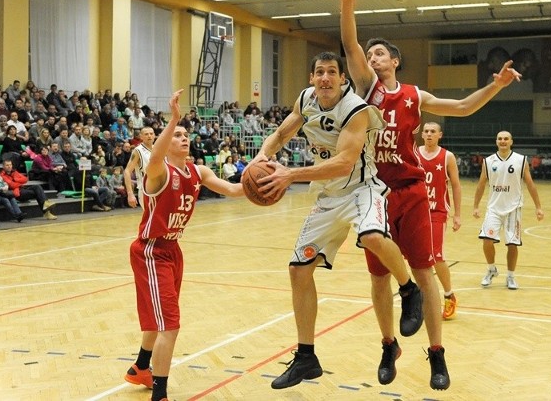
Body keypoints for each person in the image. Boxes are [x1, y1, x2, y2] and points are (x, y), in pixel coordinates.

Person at [333, 0, 522, 390]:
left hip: (411, 190)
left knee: (425, 273)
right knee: (379, 277)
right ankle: (388, 345)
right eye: (371, 53)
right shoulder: (365, 87)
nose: (373, 58)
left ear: (395, 61)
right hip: (373, 195)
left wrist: (495, 86)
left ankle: (437, 355)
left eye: (381, 53)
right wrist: (347, 2)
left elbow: (462, 107)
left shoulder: (414, 96)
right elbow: (349, 46)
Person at [249, 52, 420, 390]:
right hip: (330, 196)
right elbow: (282, 135)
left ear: (343, 79)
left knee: (371, 237)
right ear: (312, 78)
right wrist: (262, 156)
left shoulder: (355, 109)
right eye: (319, 72)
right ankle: (306, 356)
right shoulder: (305, 99)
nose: (324, 78)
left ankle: (409, 289)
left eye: (331, 72)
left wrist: (290, 174)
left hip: (362, 188)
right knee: (299, 269)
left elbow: (344, 162)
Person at [123, 90, 244, 401]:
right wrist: (174, 118)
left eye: (186, 134)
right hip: (151, 251)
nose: (183, 138)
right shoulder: (157, 171)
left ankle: (140, 368)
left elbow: (232, 189)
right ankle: (159, 394)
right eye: (177, 134)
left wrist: (269, 184)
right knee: (170, 325)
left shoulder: (198, 171)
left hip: (173, 250)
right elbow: (158, 154)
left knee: (159, 317)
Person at [473, 131, 544, 290]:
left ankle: (510, 276)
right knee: (487, 240)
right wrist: (476, 206)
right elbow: (481, 184)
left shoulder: (521, 160)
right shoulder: (488, 161)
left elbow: (530, 184)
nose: (503, 141)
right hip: (493, 208)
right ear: (496, 141)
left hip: (513, 208)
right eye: (500, 139)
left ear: (511, 141)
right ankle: (491, 269)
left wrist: (538, 207)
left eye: (506, 139)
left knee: (512, 244)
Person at [416, 123, 462, 320]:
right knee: (417, 258)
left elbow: (456, 186)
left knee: (436, 256)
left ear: (439, 135)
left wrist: (457, 214)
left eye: (432, 132)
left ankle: (449, 294)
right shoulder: (414, 153)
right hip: (416, 210)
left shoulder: (447, 157)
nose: (428, 134)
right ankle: (420, 300)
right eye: (426, 131)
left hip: (437, 211)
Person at [124, 126, 155, 208]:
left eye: (151, 134)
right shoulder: (138, 151)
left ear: (154, 135)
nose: (149, 136)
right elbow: (127, 172)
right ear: (141, 137)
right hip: (146, 190)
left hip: (160, 188)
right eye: (146, 134)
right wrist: (130, 194)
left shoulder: (157, 149)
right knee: (152, 219)